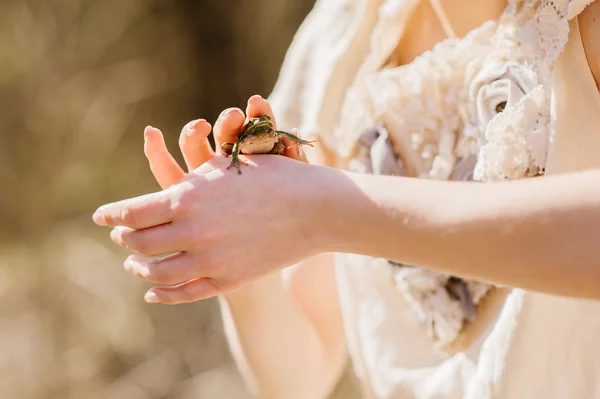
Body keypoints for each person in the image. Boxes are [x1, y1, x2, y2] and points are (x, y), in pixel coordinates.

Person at [93, 0, 600, 398]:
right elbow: (300, 377)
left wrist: (326, 211)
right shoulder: (339, 42)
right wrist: (246, 268)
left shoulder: (578, 20)